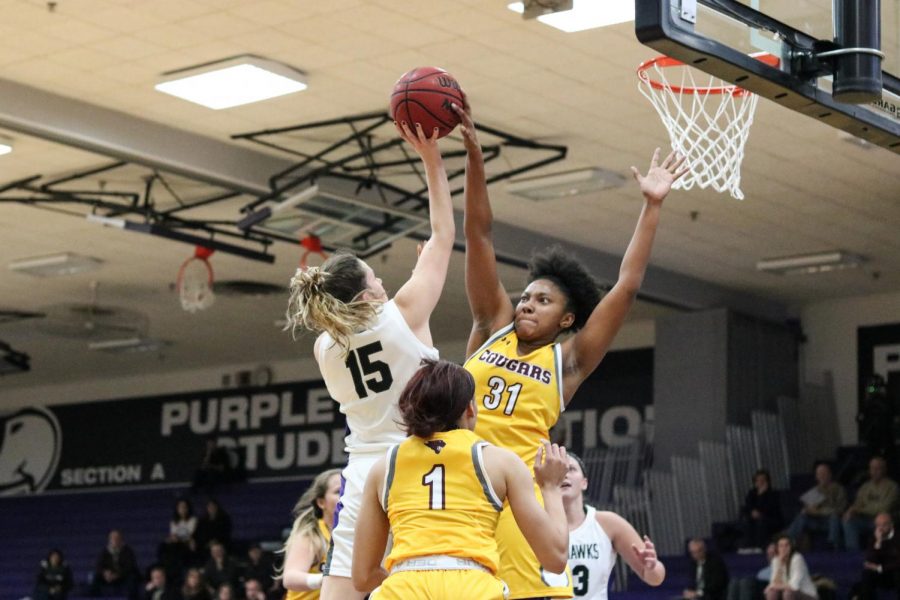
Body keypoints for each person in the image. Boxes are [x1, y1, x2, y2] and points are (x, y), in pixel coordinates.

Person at [453, 99, 687, 599]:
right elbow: (478, 235)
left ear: (566, 318)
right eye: (525, 296)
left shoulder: (568, 361)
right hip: (461, 485)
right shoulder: (490, 325)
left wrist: (651, 206)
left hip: (519, 497)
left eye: (542, 300)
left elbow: (625, 287)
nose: (526, 304)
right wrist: (474, 156)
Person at [284, 117, 455, 600]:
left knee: (342, 593)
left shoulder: (324, 347)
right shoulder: (402, 313)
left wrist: (419, 273)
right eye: (375, 277)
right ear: (364, 296)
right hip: (417, 467)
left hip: (361, 475)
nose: (383, 282)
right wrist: (431, 159)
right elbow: (444, 232)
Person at [351, 359, 570, 599]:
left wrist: (408, 581)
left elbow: (363, 576)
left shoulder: (383, 467)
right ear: (469, 409)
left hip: (404, 587)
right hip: (473, 587)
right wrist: (550, 488)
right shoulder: (500, 462)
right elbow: (555, 559)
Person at [562, 452, 665, 598]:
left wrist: (652, 566)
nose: (565, 474)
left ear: (584, 482)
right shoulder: (533, 525)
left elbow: (655, 578)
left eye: (571, 469)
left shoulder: (608, 523)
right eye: (559, 469)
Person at [280, 468, 342, 600]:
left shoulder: (356, 533)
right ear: (321, 502)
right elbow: (290, 577)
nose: (345, 495)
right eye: (338, 491)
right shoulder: (311, 534)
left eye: (349, 490)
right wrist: (321, 579)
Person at [787, 462, 847, 550]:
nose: (822, 476)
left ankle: (832, 545)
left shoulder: (838, 489)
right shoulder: (815, 491)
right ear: (816, 476)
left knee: (834, 517)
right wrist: (807, 510)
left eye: (824, 473)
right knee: (802, 517)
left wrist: (820, 511)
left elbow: (840, 509)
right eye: (819, 474)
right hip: (816, 521)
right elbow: (808, 509)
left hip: (830, 521)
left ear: (830, 475)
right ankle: (787, 540)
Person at [844, 456, 900, 551]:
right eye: (872, 468)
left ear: (884, 470)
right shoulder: (865, 487)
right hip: (866, 520)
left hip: (886, 521)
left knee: (883, 520)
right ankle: (853, 552)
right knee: (848, 520)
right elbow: (857, 504)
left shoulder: (893, 487)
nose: (874, 471)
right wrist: (851, 511)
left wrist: (859, 509)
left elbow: (884, 508)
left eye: (877, 468)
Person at [857, 512, 900, 599]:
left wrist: (880, 568)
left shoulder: (898, 537)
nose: (880, 528)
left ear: (891, 525)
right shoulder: (873, 537)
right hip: (881, 574)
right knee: (867, 573)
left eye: (884, 525)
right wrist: (878, 543)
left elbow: (898, 562)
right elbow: (869, 561)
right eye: (878, 525)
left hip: (894, 572)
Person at [764, 535, 818, 600]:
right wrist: (780, 565)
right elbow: (774, 582)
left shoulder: (797, 558)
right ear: (777, 548)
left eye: (786, 545)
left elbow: (794, 586)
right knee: (771, 592)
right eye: (781, 546)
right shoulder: (776, 560)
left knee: (788, 593)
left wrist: (773, 586)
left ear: (791, 547)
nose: (784, 548)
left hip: (808, 595)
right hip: (788, 592)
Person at [91, 529, 140, 599]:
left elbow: (129, 567)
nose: (114, 540)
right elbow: (99, 565)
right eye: (112, 538)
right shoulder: (105, 551)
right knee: (95, 578)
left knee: (132, 579)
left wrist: (117, 575)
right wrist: (105, 573)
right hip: (109, 576)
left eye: (117, 538)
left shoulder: (128, 551)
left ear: (121, 539)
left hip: (123, 576)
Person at [741, 469, 784, 550]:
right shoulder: (752, 493)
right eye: (758, 480)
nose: (760, 483)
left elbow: (768, 509)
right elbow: (748, 505)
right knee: (746, 519)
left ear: (767, 482)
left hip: (770, 518)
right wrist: (752, 511)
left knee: (761, 520)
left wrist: (761, 495)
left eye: (762, 480)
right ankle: (748, 546)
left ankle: (759, 546)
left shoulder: (773, 494)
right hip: (755, 517)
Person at [158, 498, 197, 578]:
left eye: (184, 507)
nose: (182, 509)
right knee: (163, 545)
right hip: (177, 543)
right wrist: (172, 538)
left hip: (186, 543)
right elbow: (173, 534)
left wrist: (178, 538)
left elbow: (190, 534)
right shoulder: (174, 521)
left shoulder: (193, 520)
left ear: (188, 508)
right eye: (180, 507)